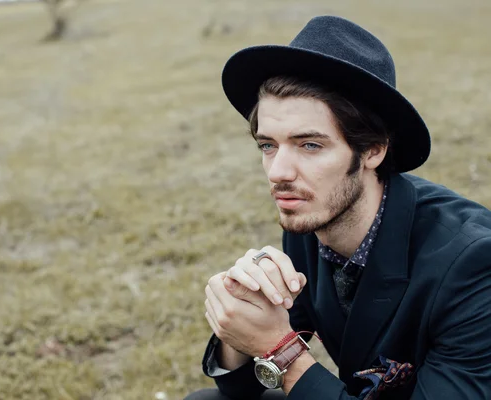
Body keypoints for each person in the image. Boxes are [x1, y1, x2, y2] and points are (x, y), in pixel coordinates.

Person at [184, 15, 491, 400]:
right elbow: (238, 388)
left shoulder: (475, 264)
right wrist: (241, 315)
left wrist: (283, 352)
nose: (278, 172)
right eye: (268, 145)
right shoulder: (313, 219)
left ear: (373, 149)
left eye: (309, 145)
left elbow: (279, 351)